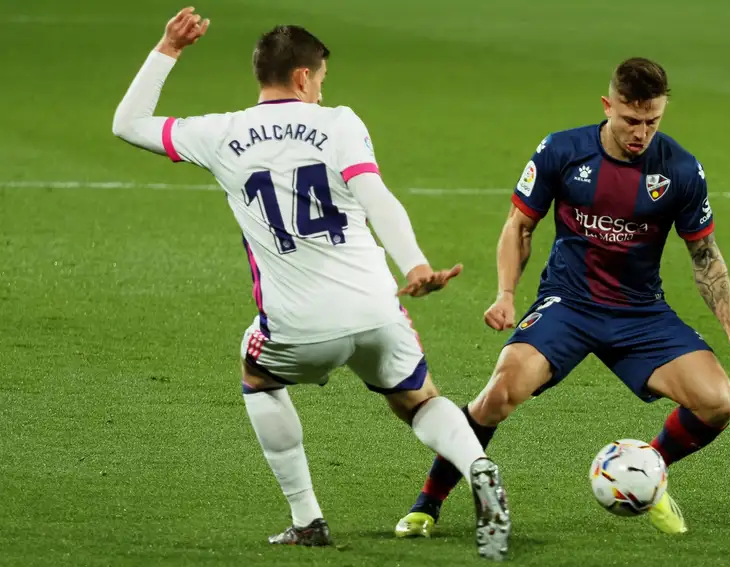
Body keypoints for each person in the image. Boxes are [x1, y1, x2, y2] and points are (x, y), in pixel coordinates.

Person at [111, 8, 511, 560]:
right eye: (321, 78)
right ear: (303, 77)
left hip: (299, 324)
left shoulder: (218, 133)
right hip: (378, 309)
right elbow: (376, 197)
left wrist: (168, 49)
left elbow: (127, 124)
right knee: (419, 400)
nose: (323, 89)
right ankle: (478, 465)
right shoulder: (341, 122)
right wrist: (415, 265)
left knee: (257, 374)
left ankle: (307, 519)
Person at [395, 56, 730, 538]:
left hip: (640, 311)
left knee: (718, 403)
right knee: (497, 398)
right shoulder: (562, 150)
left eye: (653, 121)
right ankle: (427, 504)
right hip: (568, 304)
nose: (641, 133)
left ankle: (648, 475)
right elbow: (520, 227)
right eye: (631, 120)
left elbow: (704, 254)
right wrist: (506, 293)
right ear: (607, 106)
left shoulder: (680, 169)